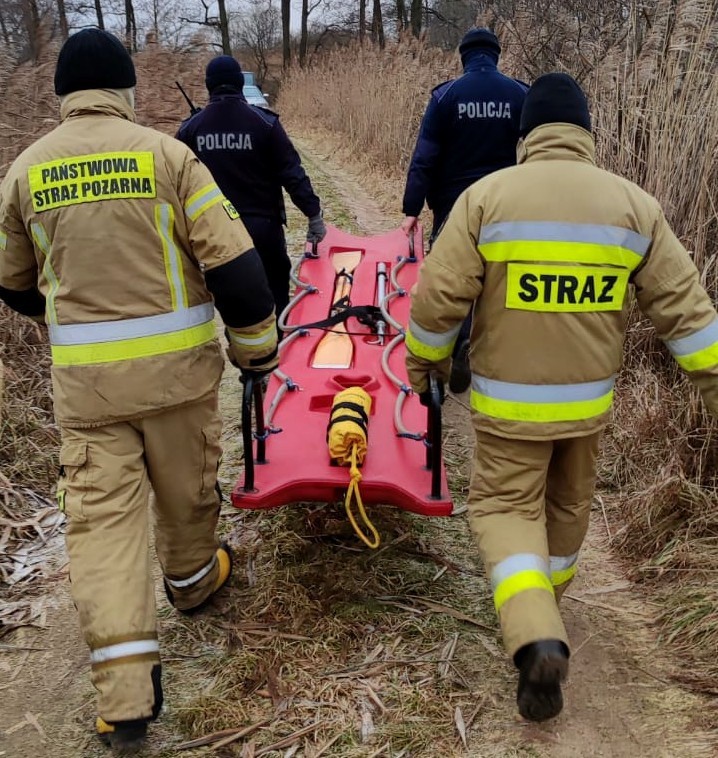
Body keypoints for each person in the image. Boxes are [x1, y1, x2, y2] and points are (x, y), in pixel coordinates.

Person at [404, 73, 718, 722]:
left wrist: (424, 363)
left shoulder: (487, 198)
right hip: (586, 409)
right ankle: (547, 600)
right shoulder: (635, 208)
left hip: (508, 409)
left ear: (526, 135)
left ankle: (535, 635)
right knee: (568, 507)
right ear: (587, 135)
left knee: (504, 509)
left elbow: (438, 301)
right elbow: (691, 320)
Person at [0, 29, 278, 752]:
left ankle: (126, 700)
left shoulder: (25, 172)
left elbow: (11, 282)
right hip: (179, 384)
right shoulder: (169, 157)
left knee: (102, 532)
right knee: (188, 495)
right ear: (126, 91)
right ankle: (191, 582)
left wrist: (65, 315)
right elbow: (239, 272)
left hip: (89, 398)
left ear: (63, 96)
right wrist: (256, 353)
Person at [401, 27, 527, 394]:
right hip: (506, 205)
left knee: (453, 280)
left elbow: (425, 156)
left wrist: (411, 208)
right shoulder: (520, 94)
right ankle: (491, 352)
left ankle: (455, 347)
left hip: (455, 206)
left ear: (464, 56)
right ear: (496, 55)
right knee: (498, 279)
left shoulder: (446, 97)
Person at [176, 55, 326, 326]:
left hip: (216, 234)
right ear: (239, 84)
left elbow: (177, 187)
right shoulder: (265, 123)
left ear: (209, 86)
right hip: (264, 230)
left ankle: (248, 358)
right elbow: (293, 174)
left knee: (233, 303)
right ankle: (279, 350)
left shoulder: (190, 130)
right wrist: (313, 214)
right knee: (276, 295)